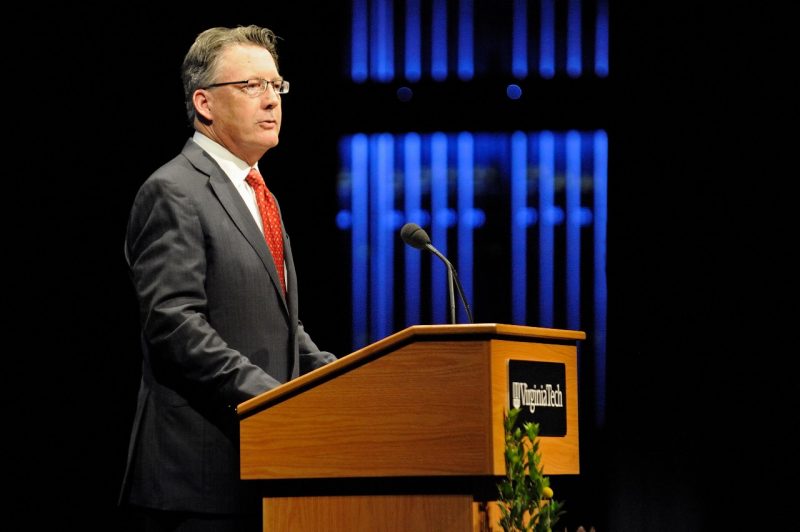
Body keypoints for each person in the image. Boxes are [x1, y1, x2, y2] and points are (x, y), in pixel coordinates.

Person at [119, 24, 337, 531]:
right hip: (197, 481)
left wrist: (339, 380)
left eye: (276, 86)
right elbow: (175, 325)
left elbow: (283, 324)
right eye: (251, 86)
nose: (271, 101)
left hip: (264, 469)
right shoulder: (173, 190)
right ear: (205, 103)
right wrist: (271, 399)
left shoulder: (263, 196)